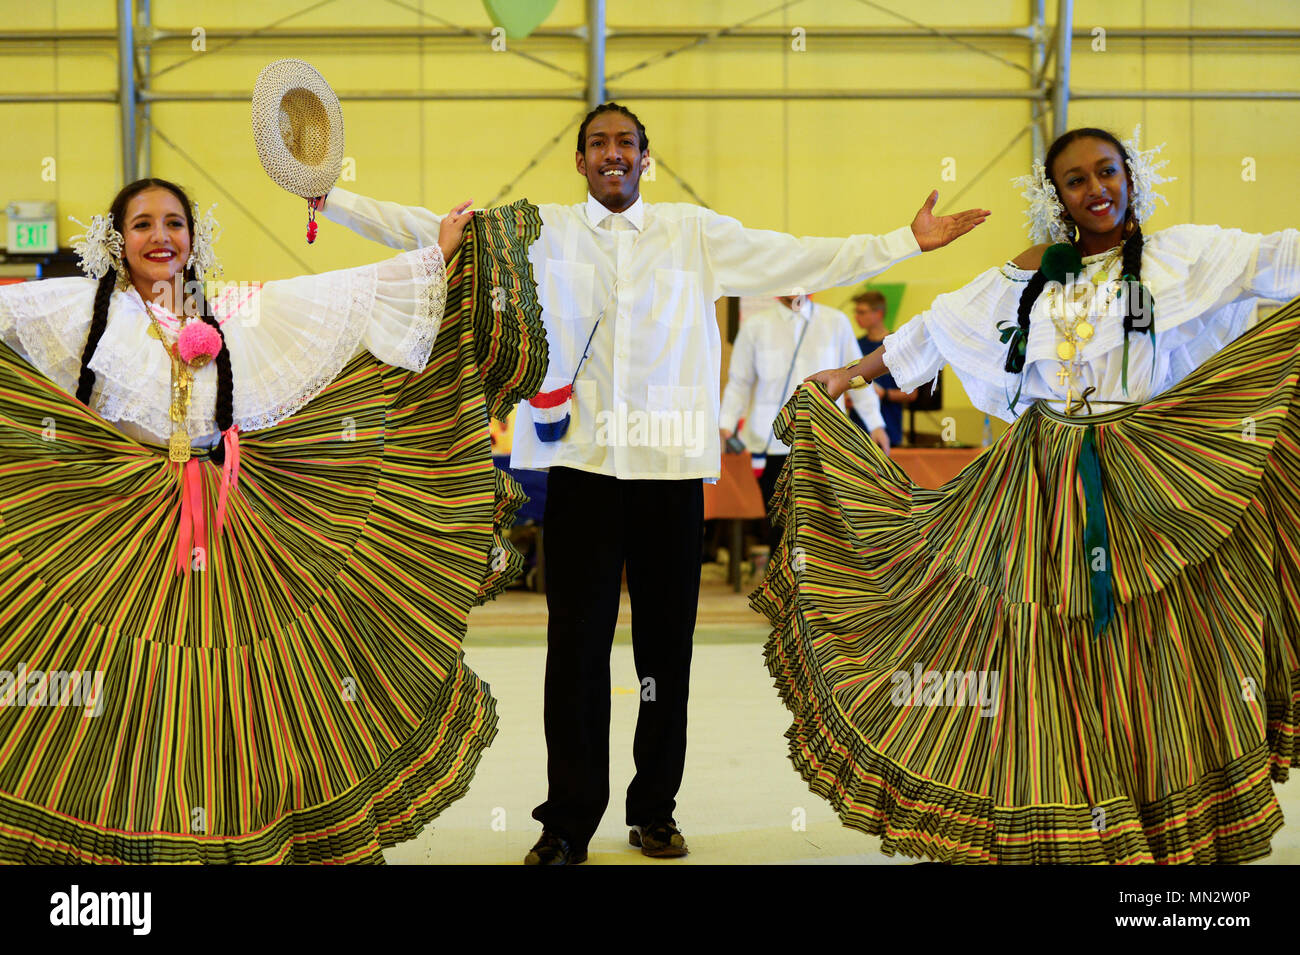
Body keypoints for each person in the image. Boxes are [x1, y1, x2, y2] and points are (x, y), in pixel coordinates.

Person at [317, 102, 990, 865]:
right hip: (582, 470)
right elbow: (430, 229)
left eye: (625, 143)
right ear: (579, 162)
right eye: (598, 142)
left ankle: (655, 810)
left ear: (646, 160)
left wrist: (906, 241)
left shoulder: (695, 235)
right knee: (575, 651)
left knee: (664, 654)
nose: (612, 153)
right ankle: (566, 822)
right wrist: (329, 199)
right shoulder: (542, 235)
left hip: (671, 474)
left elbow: (802, 257)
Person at [755, 126, 1300, 863]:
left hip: (1151, 477)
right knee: (1049, 646)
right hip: (1041, 480)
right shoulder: (1029, 274)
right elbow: (941, 325)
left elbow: (1277, 259)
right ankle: (1072, 813)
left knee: (1154, 651)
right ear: (1057, 196)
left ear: (1131, 176)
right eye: (1075, 180)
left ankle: (1157, 817)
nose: (1095, 189)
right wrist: (852, 374)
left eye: (1107, 172)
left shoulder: (1187, 253)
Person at [0, 177, 544, 863]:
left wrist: (434, 258)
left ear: (195, 238)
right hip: (125, 524)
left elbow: (344, 298)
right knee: (130, 685)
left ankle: (246, 833)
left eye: (174, 222)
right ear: (117, 240)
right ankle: (125, 845)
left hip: (234, 532)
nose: (160, 236)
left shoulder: (235, 310)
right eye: (142, 224)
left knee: (231, 691)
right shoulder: (76, 308)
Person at [720, 293, 888, 543]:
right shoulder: (755, 326)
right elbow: (739, 383)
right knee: (779, 529)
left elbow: (857, 376)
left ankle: (818, 580)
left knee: (825, 527)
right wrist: (725, 426)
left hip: (826, 442)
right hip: (772, 443)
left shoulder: (835, 321)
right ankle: (785, 579)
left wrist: (876, 423)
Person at [847, 289, 915, 446]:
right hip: (857, 430)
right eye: (856, 312)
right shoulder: (855, 345)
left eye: (862, 312)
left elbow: (912, 394)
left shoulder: (898, 345)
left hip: (888, 428)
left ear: (878, 314)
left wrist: (883, 394)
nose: (857, 317)